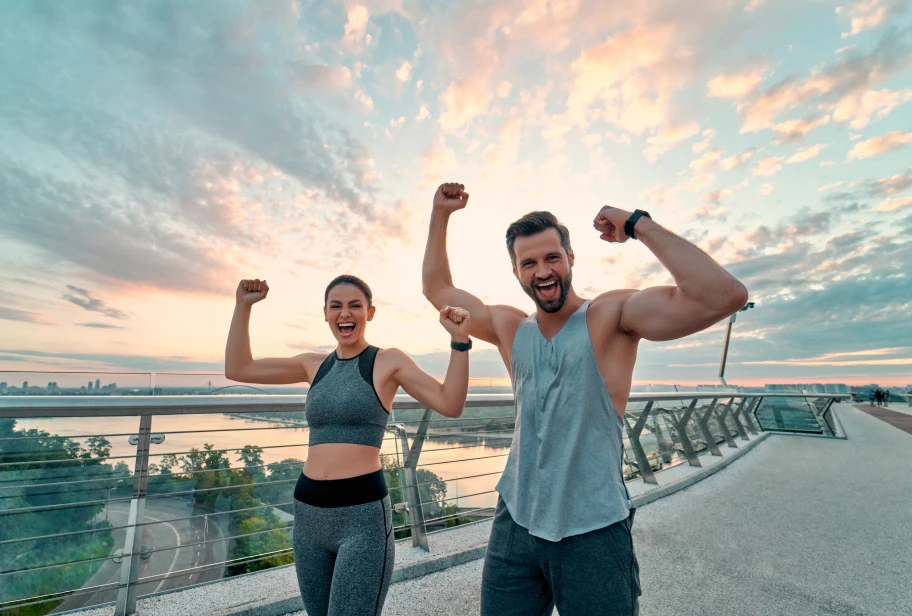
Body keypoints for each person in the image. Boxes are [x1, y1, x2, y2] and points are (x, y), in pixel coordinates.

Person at [422, 183, 749, 615]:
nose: (543, 271)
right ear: (516, 272)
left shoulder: (610, 315)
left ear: (571, 259)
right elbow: (437, 288)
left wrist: (637, 224)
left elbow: (724, 295)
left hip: (594, 530)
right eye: (529, 262)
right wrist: (439, 214)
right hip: (515, 523)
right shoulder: (508, 326)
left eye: (552, 257)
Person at [225, 275, 474, 616]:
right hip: (308, 515)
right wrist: (242, 307)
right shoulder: (313, 365)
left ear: (370, 312)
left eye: (355, 305)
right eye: (336, 306)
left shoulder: (388, 361)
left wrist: (460, 341)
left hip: (362, 518)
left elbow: (450, 403)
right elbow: (238, 368)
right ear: (325, 314)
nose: (346, 313)